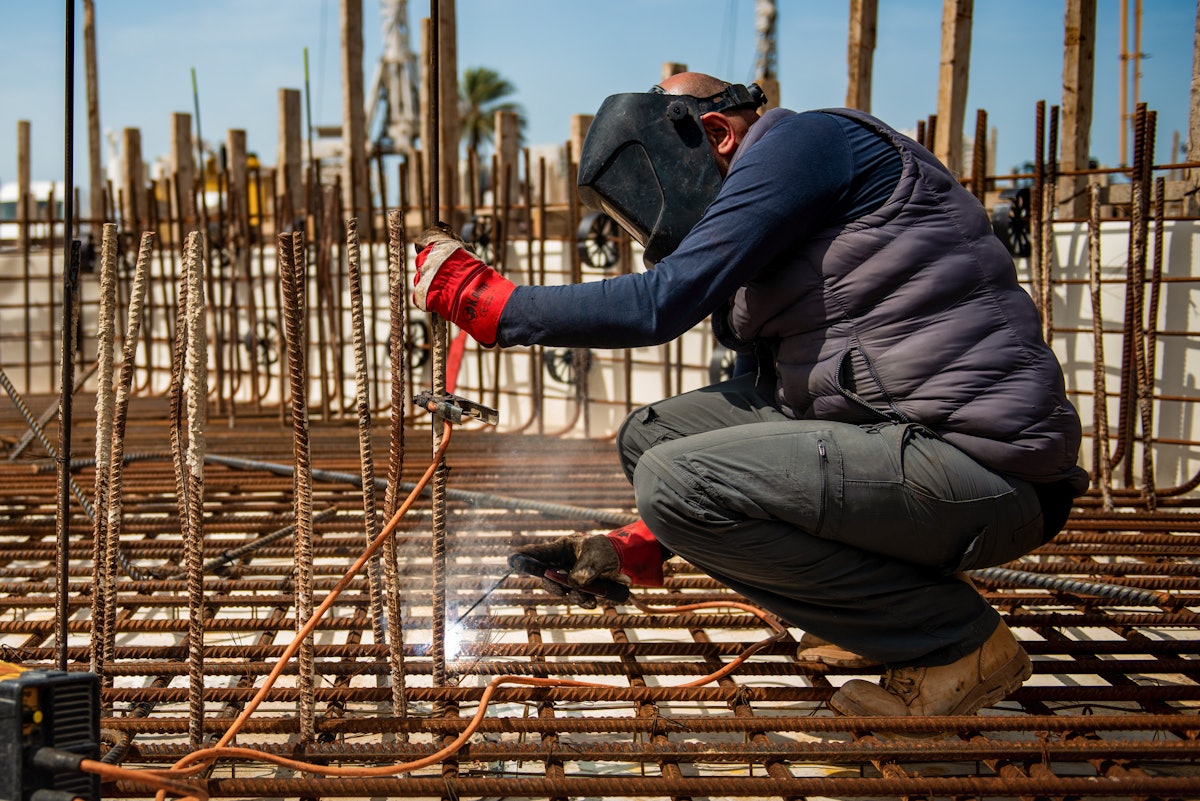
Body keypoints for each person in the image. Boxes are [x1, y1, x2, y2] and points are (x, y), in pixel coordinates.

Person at [412, 72, 1089, 720]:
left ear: (716, 131)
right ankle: (883, 620)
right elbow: (775, 398)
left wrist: (493, 305)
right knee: (654, 440)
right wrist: (646, 537)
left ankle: (955, 643)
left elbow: (662, 303)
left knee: (672, 478)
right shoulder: (781, 235)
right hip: (901, 447)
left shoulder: (805, 144)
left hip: (988, 468)